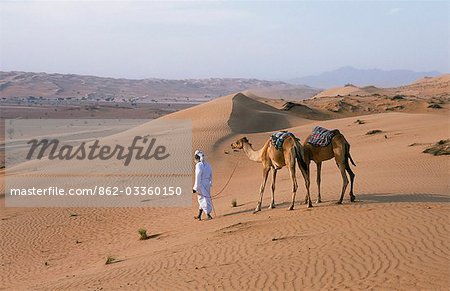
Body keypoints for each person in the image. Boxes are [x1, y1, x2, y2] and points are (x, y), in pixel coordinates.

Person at [192, 150, 213, 220]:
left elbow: (198, 176)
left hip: (201, 184)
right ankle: (199, 215)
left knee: (202, 199)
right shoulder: (208, 165)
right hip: (207, 184)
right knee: (205, 199)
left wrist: (195, 188)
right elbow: (211, 175)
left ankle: (208, 215)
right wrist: (210, 183)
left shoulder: (198, 165)